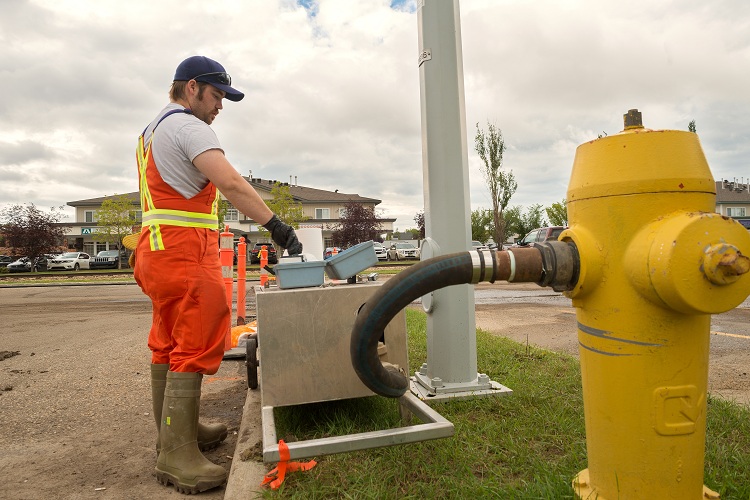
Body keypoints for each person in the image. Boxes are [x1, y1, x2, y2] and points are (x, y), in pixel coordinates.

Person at [132, 55, 302, 494]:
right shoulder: (190, 127)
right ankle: (176, 456)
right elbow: (230, 183)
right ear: (192, 88)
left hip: (157, 250)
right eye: (217, 95)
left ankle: (173, 436)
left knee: (167, 340)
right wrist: (276, 226)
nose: (220, 106)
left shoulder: (152, 129)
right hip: (185, 252)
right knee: (197, 337)